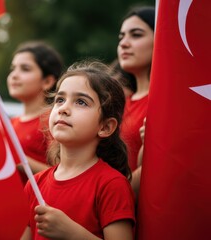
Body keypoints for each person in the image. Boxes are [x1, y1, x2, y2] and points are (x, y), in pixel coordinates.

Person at [22, 60, 135, 240]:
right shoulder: (34, 184)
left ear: (106, 127)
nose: (63, 109)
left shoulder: (112, 185)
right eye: (60, 99)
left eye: (81, 102)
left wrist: (71, 233)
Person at [7, 41, 64, 184]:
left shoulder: (54, 120)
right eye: (13, 69)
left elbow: (62, 173)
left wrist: (18, 159)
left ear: (47, 81)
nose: (14, 75)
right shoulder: (9, 123)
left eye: (25, 69)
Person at [117, 6, 155, 197]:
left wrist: (103, 198)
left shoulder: (164, 105)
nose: (124, 43)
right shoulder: (117, 103)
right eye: (121, 37)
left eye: (136, 35)